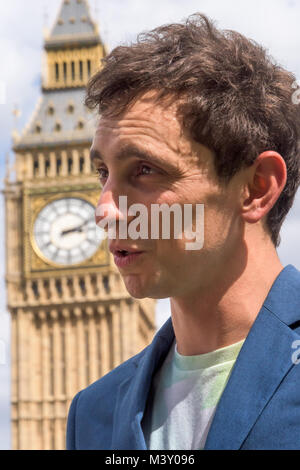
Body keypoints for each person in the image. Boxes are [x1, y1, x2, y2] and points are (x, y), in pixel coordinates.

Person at [66, 13, 300, 450]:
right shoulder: (92, 414)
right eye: (103, 174)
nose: (105, 211)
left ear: (256, 187)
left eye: (145, 170)